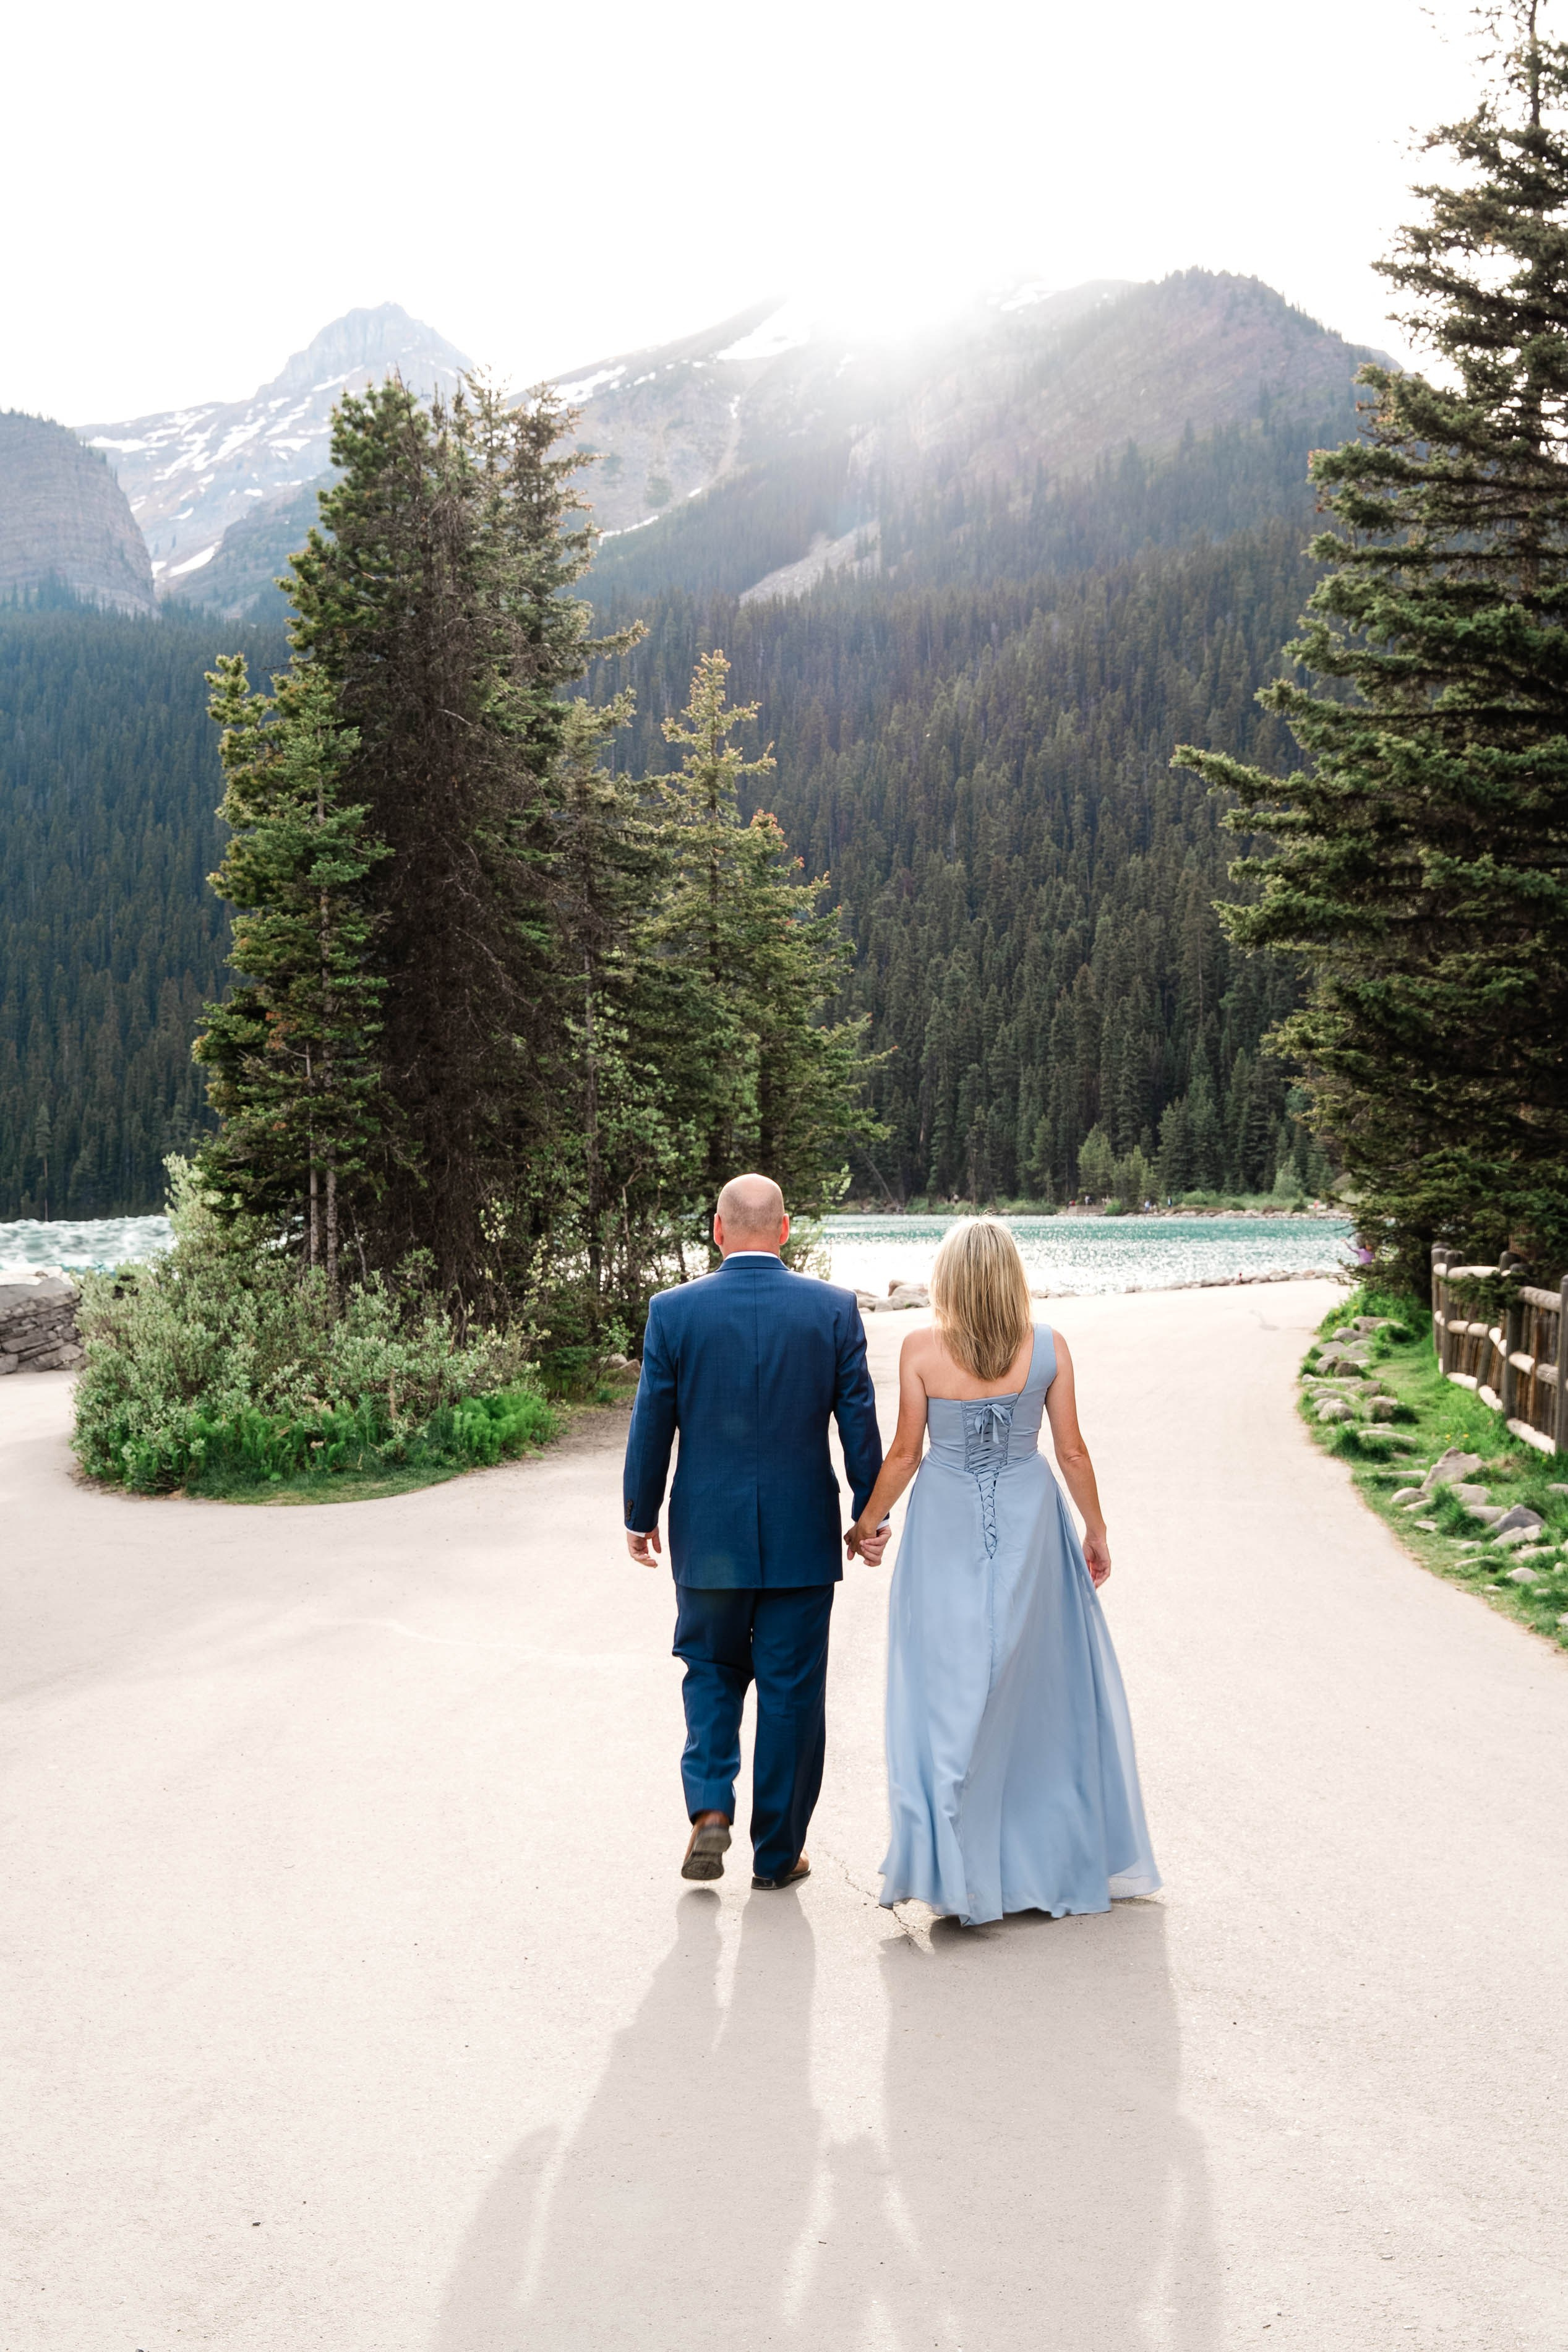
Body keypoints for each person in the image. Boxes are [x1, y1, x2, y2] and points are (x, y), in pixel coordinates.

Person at [846, 1217, 1160, 1927]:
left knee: (949, 1680)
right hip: (1030, 1515)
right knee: (1034, 1684)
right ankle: (1034, 1861)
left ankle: (955, 1861)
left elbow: (903, 1455)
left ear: (950, 1279)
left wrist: (868, 1524)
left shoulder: (924, 1349)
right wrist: (1096, 1527)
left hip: (947, 1518)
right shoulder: (1048, 1347)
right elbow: (1072, 1450)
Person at [623, 1174, 887, 1891]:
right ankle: (777, 1856)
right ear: (785, 1229)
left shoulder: (674, 1312)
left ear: (716, 1229)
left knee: (709, 1671)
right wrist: (870, 1515)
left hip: (707, 1537)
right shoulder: (831, 1309)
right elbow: (857, 1421)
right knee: (792, 1695)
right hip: (802, 1538)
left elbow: (653, 1423)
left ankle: (710, 1807)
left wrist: (639, 1513)